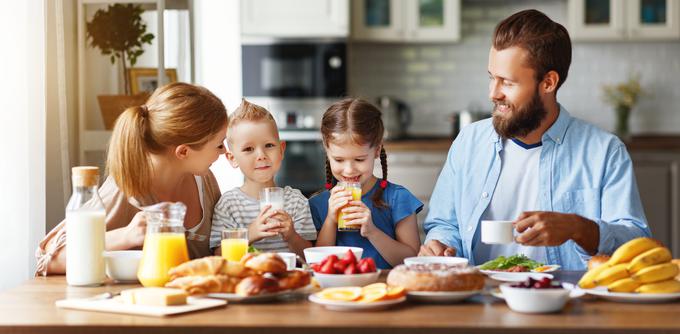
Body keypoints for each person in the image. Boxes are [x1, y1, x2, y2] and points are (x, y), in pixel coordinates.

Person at [419, 9, 650, 270]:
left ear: (548, 82)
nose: (493, 93)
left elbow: (637, 244)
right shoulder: (468, 142)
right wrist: (441, 244)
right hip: (479, 298)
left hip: (569, 303)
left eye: (507, 82)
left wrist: (579, 228)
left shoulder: (605, 152)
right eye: (491, 78)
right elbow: (444, 223)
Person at [36, 82, 228, 275]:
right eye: (219, 145)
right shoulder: (125, 188)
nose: (224, 151)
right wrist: (126, 235)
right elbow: (49, 259)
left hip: (198, 302)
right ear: (184, 151)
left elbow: (220, 249)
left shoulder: (204, 181)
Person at [309, 98, 422, 269]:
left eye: (359, 159)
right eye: (339, 159)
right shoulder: (318, 204)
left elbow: (412, 261)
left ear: (376, 151)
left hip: (385, 290)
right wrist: (331, 219)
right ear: (326, 150)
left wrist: (372, 232)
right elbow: (317, 265)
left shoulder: (398, 198)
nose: (349, 170)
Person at [210, 100, 316, 258]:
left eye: (269, 145)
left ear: (281, 149)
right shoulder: (229, 205)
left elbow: (310, 255)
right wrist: (249, 234)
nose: (261, 155)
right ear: (232, 159)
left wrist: (292, 236)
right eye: (248, 149)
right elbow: (218, 255)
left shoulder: (296, 201)